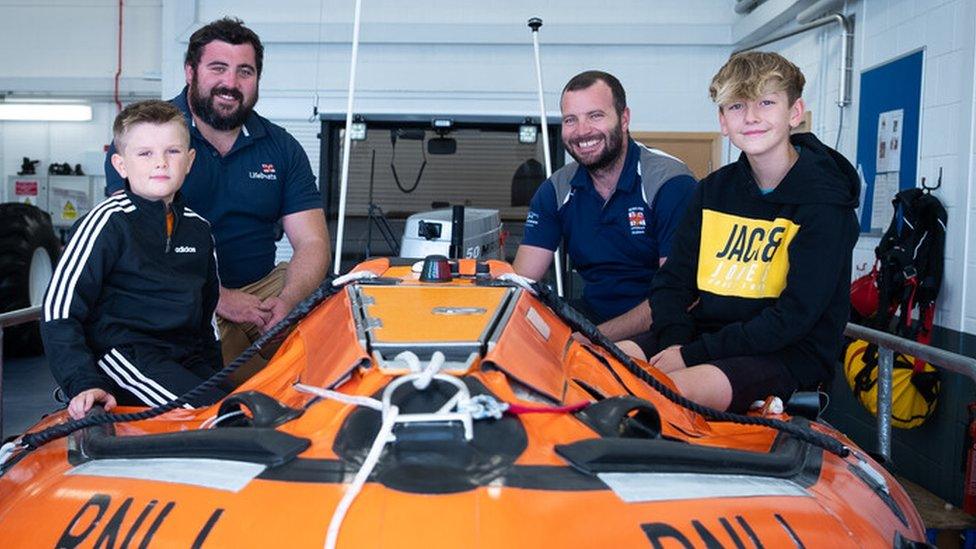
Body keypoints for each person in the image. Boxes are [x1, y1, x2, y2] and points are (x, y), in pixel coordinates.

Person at [635, 51, 859, 412]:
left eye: (766, 102)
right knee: (609, 363)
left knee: (664, 392)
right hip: (707, 338)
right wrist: (675, 344)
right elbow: (671, 281)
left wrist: (690, 356)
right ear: (723, 120)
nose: (751, 117)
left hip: (788, 353)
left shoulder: (825, 202)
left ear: (794, 113)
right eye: (737, 106)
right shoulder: (712, 190)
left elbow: (794, 317)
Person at [105, 17, 330, 372]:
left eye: (245, 71)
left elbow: (313, 242)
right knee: (198, 389)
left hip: (262, 295)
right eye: (218, 68)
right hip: (172, 295)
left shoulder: (282, 148)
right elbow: (137, 246)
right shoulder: (147, 138)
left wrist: (288, 301)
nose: (231, 83)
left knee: (329, 347)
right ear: (190, 72)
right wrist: (218, 300)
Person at [43, 101, 225, 419]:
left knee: (244, 401)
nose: (161, 163)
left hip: (183, 357)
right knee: (215, 413)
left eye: (173, 151)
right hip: (124, 356)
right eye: (145, 153)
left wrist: (217, 375)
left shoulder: (199, 229)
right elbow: (58, 311)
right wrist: (82, 381)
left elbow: (205, 319)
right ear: (120, 165)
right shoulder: (107, 222)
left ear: (190, 161)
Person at [513, 71, 697, 341]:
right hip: (592, 316)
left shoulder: (670, 183)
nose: (582, 131)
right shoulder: (555, 190)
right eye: (570, 120)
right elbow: (522, 283)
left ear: (624, 119)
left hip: (663, 323)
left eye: (595, 116)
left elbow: (680, 296)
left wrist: (594, 338)